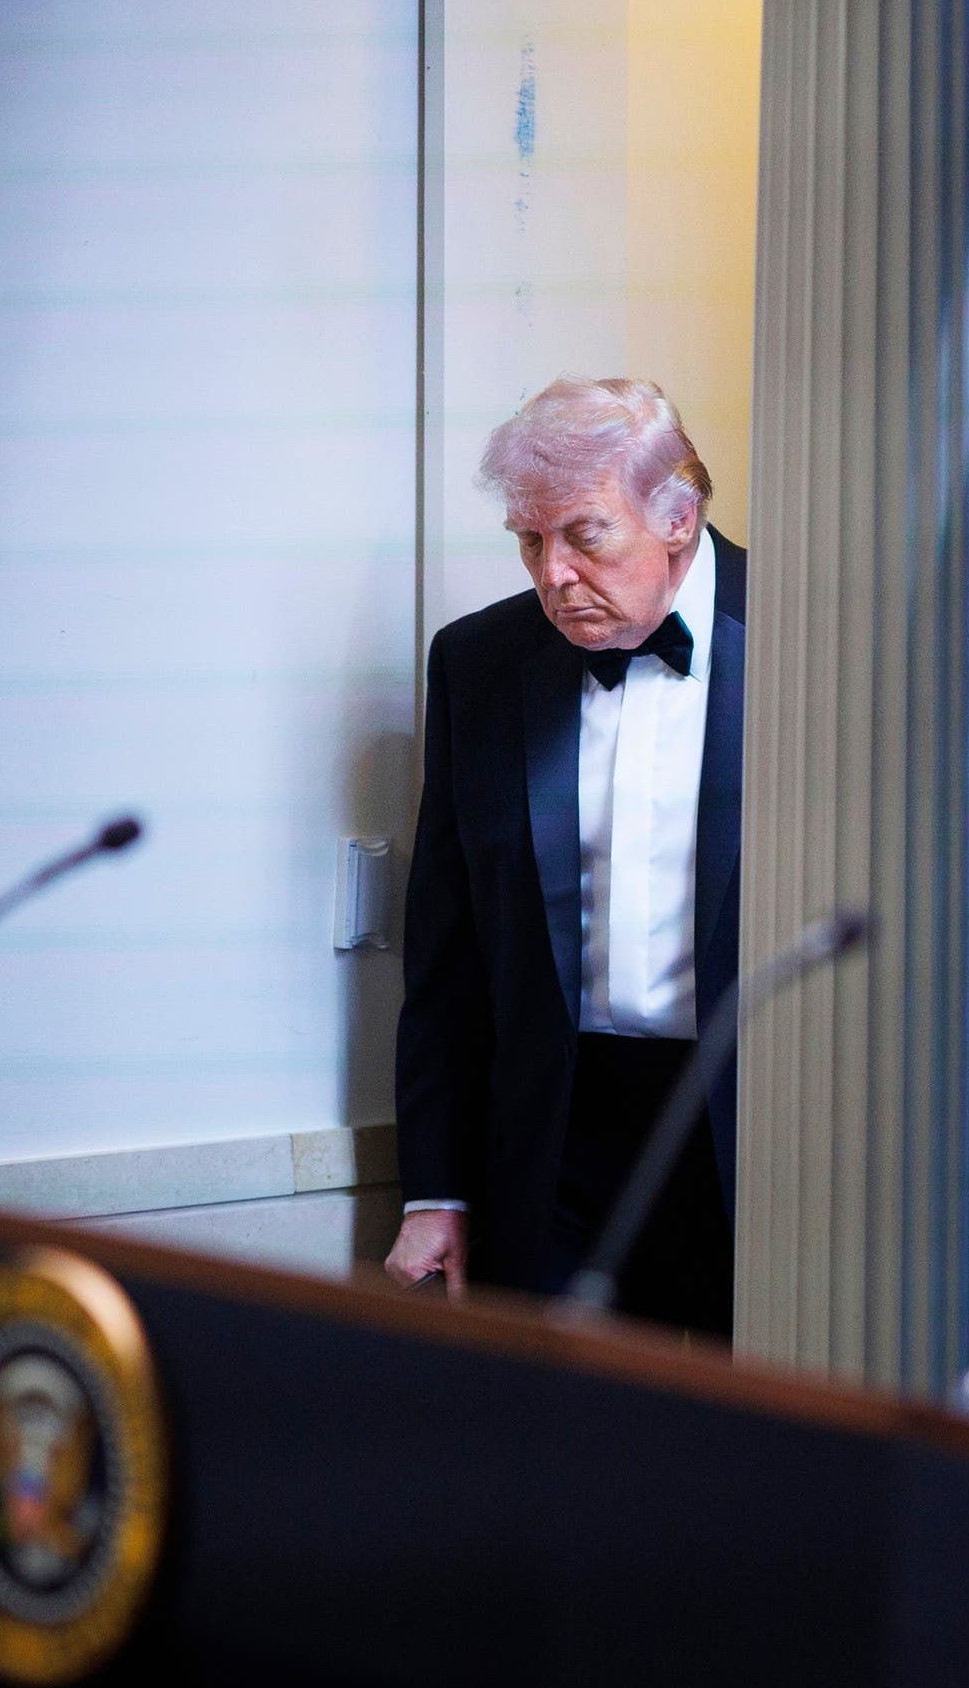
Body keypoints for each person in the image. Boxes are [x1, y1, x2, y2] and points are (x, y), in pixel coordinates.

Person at [383, 376, 744, 1335]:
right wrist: (435, 1191)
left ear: (679, 515)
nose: (551, 575)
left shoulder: (820, 638)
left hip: (758, 1133)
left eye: (584, 535)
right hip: (551, 1141)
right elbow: (446, 954)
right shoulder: (479, 664)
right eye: (528, 541)